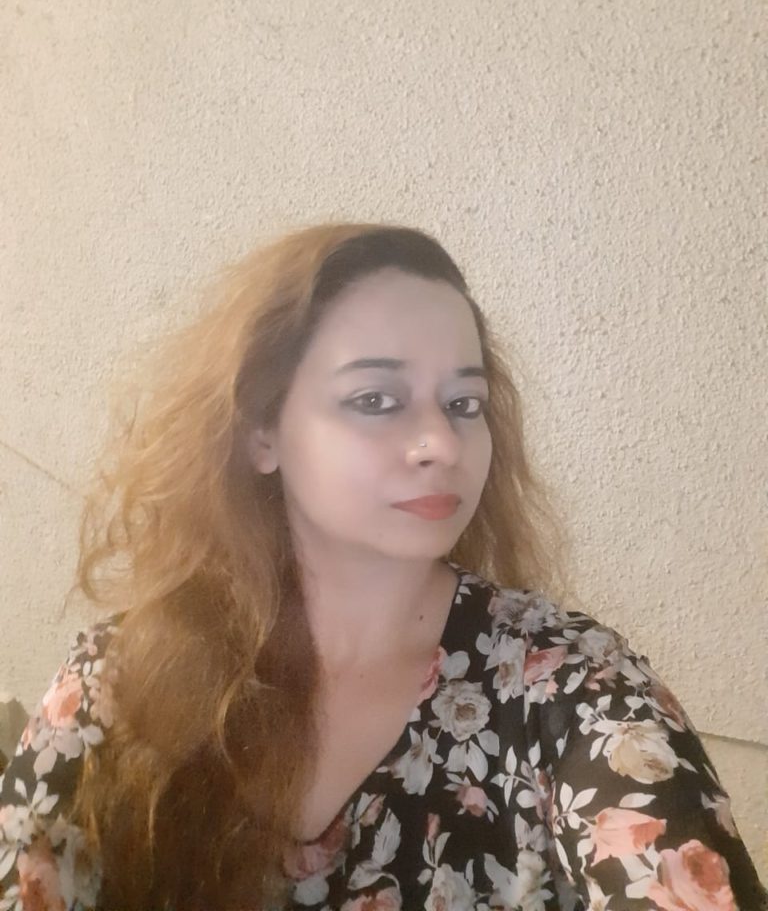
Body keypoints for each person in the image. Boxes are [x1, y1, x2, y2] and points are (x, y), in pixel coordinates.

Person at [0, 222, 765, 911]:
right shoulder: (117, 682)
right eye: (375, 399)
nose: (442, 443)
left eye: (464, 404)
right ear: (262, 431)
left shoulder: (571, 690)